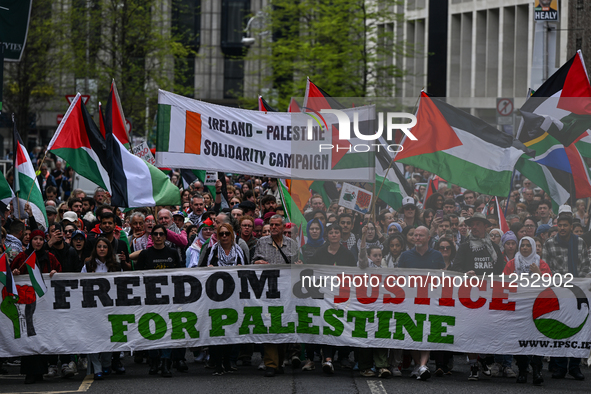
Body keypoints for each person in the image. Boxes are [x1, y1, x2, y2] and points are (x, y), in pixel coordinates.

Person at [451, 213, 505, 381]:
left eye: (477, 225)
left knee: (486, 331)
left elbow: (501, 271)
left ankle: (483, 359)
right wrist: (466, 274)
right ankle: (474, 365)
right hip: (470, 295)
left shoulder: (494, 248)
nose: (473, 227)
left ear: (485, 227)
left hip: (489, 295)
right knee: (470, 330)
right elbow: (456, 268)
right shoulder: (465, 247)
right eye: (471, 225)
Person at [542, 214, 590, 380]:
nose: (562, 228)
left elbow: (585, 266)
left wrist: (576, 283)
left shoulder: (579, 243)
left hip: (578, 292)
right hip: (558, 292)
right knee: (559, 329)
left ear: (571, 226)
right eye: (559, 225)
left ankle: (574, 367)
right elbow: (546, 269)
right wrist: (562, 283)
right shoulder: (549, 243)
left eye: (565, 225)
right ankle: (560, 366)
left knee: (578, 329)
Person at [10, 230, 62, 384]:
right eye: (35, 239)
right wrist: (15, 272)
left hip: (45, 306)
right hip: (28, 303)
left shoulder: (50, 257)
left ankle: (40, 371)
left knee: (42, 336)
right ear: (30, 241)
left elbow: (61, 273)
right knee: (29, 336)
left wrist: (55, 273)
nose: (38, 242)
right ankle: (30, 373)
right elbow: (10, 276)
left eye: (41, 239)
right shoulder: (22, 257)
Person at [252, 215, 299, 377]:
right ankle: (270, 364)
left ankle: (279, 362)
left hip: (286, 294)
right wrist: (257, 263)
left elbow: (297, 266)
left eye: (276, 225)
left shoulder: (292, 245)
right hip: (267, 293)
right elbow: (254, 263)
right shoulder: (261, 243)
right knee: (269, 326)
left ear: (283, 226)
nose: (273, 227)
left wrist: (298, 265)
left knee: (283, 326)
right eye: (271, 225)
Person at [398, 226, 444, 380]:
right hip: (410, 300)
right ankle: (419, 365)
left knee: (427, 332)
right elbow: (399, 278)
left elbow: (443, 277)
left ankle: (423, 365)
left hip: (430, 301)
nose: (417, 238)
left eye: (420, 236)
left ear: (428, 237)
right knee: (412, 333)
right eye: (415, 235)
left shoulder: (437, 256)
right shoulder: (405, 256)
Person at [502, 236, 550, 386]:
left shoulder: (540, 264)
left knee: (536, 338)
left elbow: (550, 285)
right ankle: (522, 370)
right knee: (520, 338)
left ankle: (537, 370)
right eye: (522, 245)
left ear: (533, 248)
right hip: (518, 307)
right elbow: (503, 283)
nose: (524, 248)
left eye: (528, 245)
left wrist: (538, 274)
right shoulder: (511, 264)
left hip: (537, 307)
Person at [136, 225, 182, 377]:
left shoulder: (173, 253)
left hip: (169, 299)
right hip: (150, 299)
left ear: (165, 236)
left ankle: (165, 362)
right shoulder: (145, 254)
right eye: (155, 234)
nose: (158, 237)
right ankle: (154, 360)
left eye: (161, 234)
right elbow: (137, 276)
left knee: (167, 330)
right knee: (152, 330)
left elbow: (180, 274)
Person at [82, 237, 121, 380]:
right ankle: (97, 367)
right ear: (95, 249)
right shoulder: (87, 265)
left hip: (110, 307)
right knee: (92, 338)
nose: (102, 249)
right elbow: (80, 283)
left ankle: (106, 363)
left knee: (108, 337)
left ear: (109, 249)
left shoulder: (116, 265)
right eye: (99, 246)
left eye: (105, 246)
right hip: (92, 308)